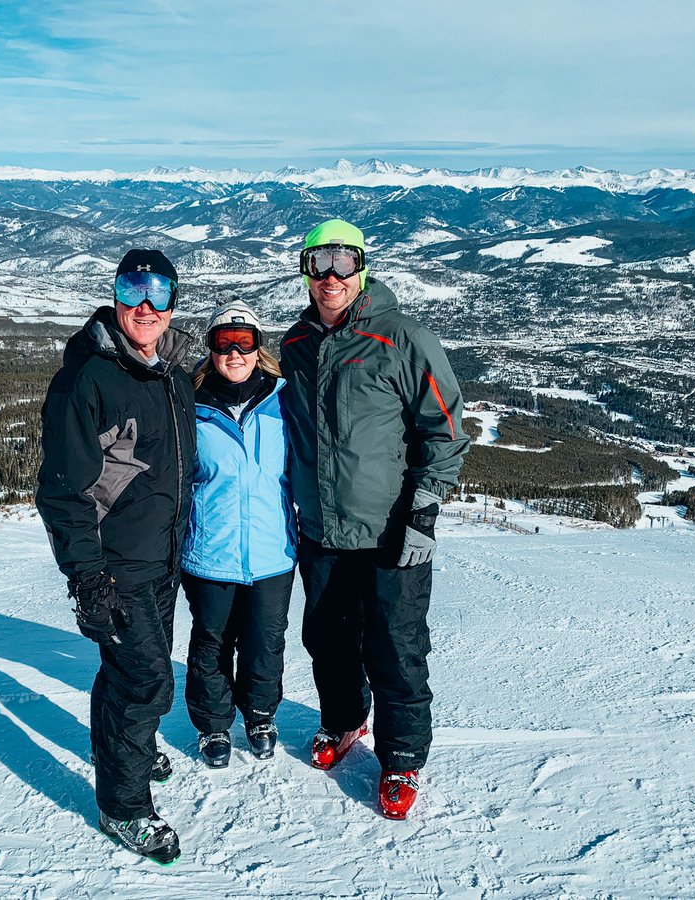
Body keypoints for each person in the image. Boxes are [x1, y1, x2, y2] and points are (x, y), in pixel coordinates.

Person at [279, 219, 470, 820]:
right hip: (321, 529)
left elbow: (445, 429)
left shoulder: (403, 338)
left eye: (344, 262)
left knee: (396, 645)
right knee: (328, 640)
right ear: (305, 270)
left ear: (362, 268)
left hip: (391, 531)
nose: (331, 276)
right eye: (319, 262)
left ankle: (402, 757)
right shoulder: (295, 344)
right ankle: (343, 722)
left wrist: (424, 511)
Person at [35, 248, 195, 865]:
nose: (146, 306)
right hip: (115, 565)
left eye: (159, 293)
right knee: (147, 679)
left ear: (174, 302)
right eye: (134, 291)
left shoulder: (172, 374)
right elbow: (63, 490)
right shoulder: (88, 379)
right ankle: (123, 807)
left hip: (162, 557)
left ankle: (123, 750)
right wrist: (87, 577)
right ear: (115, 297)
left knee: (125, 672)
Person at [180, 299, 296, 769]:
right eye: (223, 342)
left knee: (264, 643)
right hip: (210, 551)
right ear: (210, 348)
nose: (234, 353)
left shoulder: (283, 401)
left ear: (258, 346)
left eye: (244, 342)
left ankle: (261, 716)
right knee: (212, 642)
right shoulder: (190, 405)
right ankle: (213, 724)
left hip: (272, 552)